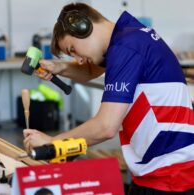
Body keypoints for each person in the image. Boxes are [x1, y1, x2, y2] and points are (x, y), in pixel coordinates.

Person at [23, 3, 194, 194]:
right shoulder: (129, 35)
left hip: (169, 177)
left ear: (84, 27)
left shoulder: (125, 47)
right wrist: (59, 68)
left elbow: (106, 126)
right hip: (161, 171)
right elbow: (91, 69)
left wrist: (52, 143)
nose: (77, 59)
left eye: (73, 49)